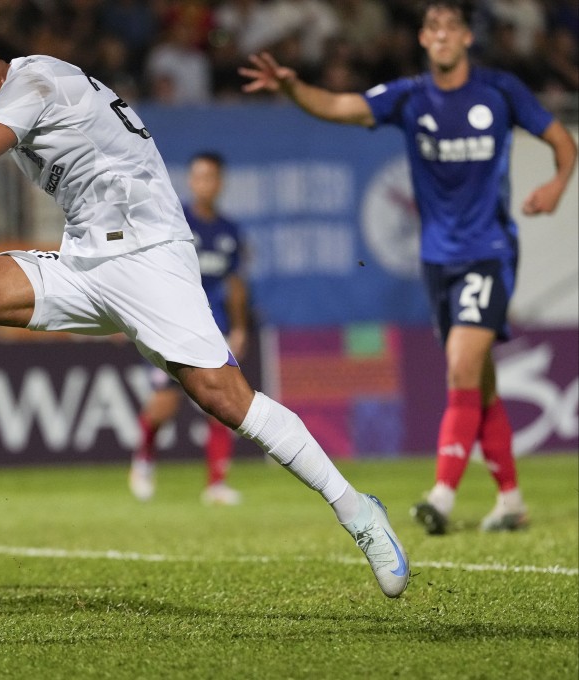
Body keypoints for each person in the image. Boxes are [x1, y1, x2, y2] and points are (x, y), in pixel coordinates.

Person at [0, 24, 409, 598]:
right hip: (86, 260)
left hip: (147, 258)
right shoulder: (22, 91)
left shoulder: (34, 83)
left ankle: (357, 510)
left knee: (227, 400)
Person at [240, 0, 577, 535]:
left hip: (488, 251)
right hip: (437, 261)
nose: (441, 35)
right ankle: (511, 500)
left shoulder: (499, 91)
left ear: (467, 37)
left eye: (451, 26)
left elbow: (561, 140)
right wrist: (291, 86)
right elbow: (340, 105)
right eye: (432, 27)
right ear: (423, 39)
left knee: (462, 368)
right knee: (480, 383)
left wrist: (556, 186)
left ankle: (441, 496)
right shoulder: (410, 97)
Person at [129, 151, 250, 506]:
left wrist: (240, 327)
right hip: (175, 325)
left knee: (223, 402)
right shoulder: (173, 222)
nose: (204, 184)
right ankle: (145, 459)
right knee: (163, 406)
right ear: (191, 182)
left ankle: (216, 483)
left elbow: (236, 284)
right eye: (198, 177)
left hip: (217, 327)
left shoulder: (230, 231)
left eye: (211, 177)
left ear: (220, 183)